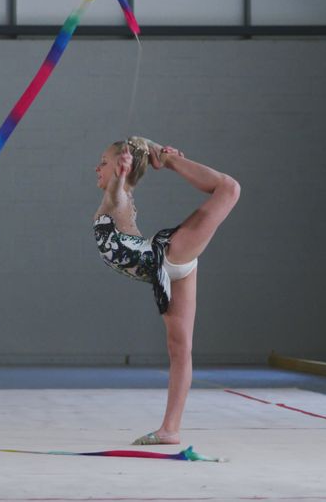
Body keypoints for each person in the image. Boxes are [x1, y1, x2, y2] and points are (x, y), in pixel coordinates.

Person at [92, 136, 241, 446]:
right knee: (179, 350)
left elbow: (117, 193)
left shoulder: (115, 197)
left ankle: (171, 162)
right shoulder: (118, 198)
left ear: (121, 168)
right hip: (167, 274)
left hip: (169, 253)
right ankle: (169, 429)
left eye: (103, 162)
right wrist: (139, 155)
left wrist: (125, 174)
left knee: (229, 189)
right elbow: (132, 152)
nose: (97, 167)